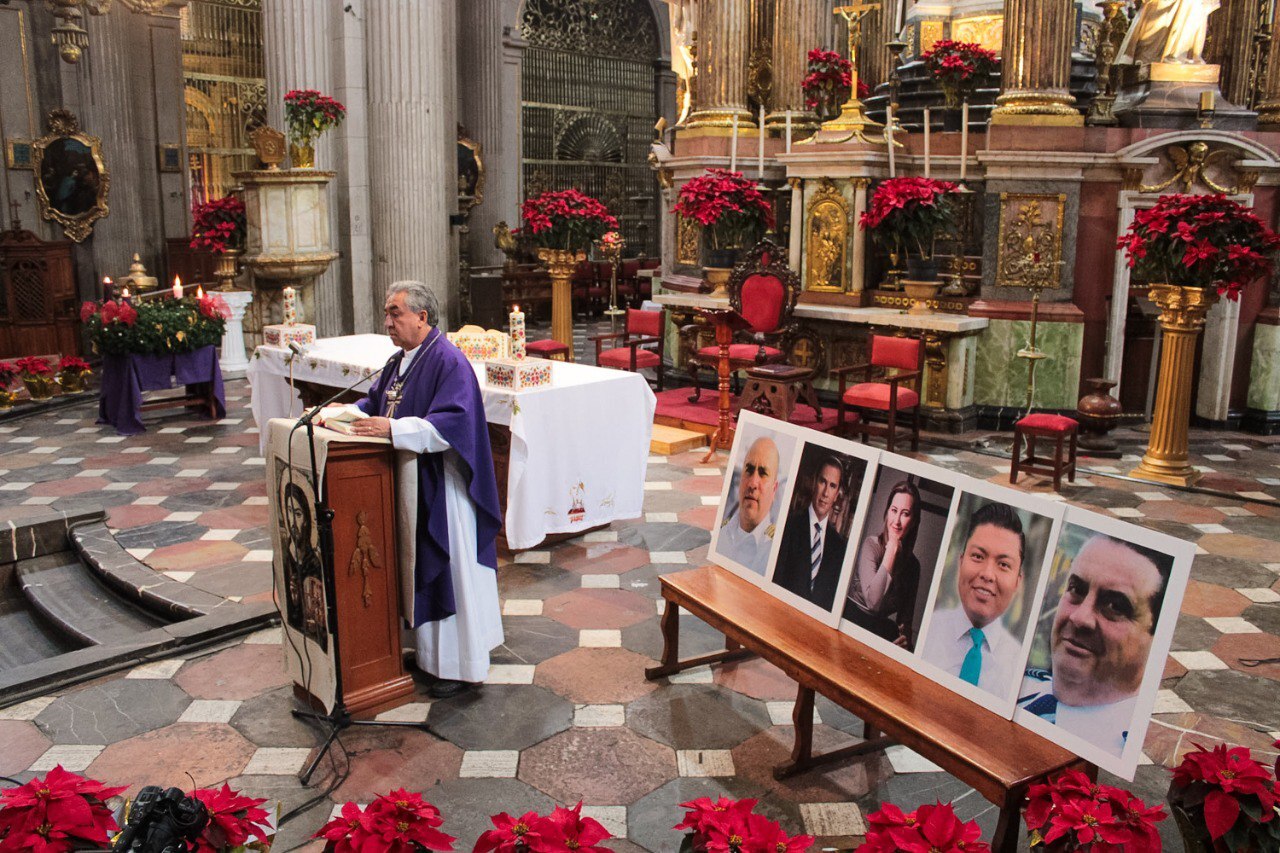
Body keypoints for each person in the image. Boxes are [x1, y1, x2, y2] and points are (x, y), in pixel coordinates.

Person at [344, 280, 503, 699]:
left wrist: (394, 429)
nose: (388, 321)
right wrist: (339, 415)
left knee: (446, 568)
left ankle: (460, 664)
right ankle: (429, 655)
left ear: (422, 316)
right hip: (410, 480)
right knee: (417, 569)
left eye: (396, 313)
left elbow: (452, 422)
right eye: (386, 313)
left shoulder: (449, 361)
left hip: (442, 487)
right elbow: (376, 403)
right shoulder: (401, 361)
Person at [1018, 534, 1170, 756]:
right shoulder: (1013, 688)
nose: (1080, 618)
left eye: (1115, 606)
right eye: (1077, 590)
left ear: (1157, 637)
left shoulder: (1135, 754)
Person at [920, 502, 1026, 697]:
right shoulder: (926, 629)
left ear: (1018, 581)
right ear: (961, 561)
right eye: (978, 556)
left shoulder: (1021, 669)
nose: (987, 574)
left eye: (1003, 564)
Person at [844, 480, 922, 646]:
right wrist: (891, 549)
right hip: (851, 619)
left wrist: (904, 641)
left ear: (914, 521)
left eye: (905, 513)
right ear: (887, 513)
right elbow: (873, 603)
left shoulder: (913, 566)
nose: (897, 521)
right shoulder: (870, 545)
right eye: (894, 511)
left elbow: (905, 622)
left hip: (879, 630)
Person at [773, 455, 848, 609]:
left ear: (837, 495)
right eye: (823, 482)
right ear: (815, 483)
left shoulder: (839, 546)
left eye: (832, 486)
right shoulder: (789, 525)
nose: (826, 493)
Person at [717, 436, 780, 575]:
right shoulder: (722, 531)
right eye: (749, 471)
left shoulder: (773, 548)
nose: (752, 483)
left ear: (774, 489)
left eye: (763, 474)